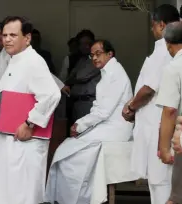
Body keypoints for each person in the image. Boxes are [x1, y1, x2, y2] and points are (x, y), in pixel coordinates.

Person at [0, 16, 61, 204]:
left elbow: (51, 95)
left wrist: (29, 123)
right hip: (8, 142)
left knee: (21, 195)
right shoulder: (14, 59)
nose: (7, 39)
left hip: (22, 141)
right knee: (8, 193)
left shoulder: (33, 61)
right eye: (5, 35)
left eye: (13, 35)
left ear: (27, 38)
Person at [46, 40, 133, 204]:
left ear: (110, 54)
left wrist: (80, 125)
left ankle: (79, 199)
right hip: (106, 125)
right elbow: (99, 108)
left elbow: (103, 111)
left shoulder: (115, 74)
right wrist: (82, 124)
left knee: (68, 156)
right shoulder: (108, 73)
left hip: (115, 128)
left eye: (98, 53)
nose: (94, 58)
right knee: (65, 150)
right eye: (92, 55)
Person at [122, 4, 179, 204]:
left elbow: (148, 89)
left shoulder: (165, 51)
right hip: (158, 125)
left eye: (152, 25)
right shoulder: (170, 51)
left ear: (161, 25)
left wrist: (130, 107)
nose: (151, 30)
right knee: (160, 184)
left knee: (161, 185)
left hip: (158, 127)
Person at [155, 21, 182, 204]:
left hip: (180, 143)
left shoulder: (173, 68)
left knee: (175, 195)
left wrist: (163, 148)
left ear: (168, 44)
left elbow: (170, 110)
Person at [62, 30, 101, 136]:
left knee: (86, 135)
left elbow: (80, 76)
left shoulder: (96, 59)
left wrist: (74, 79)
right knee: (76, 136)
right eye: (83, 44)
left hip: (88, 103)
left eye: (88, 43)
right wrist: (74, 78)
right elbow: (69, 78)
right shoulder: (82, 59)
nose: (86, 46)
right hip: (77, 103)